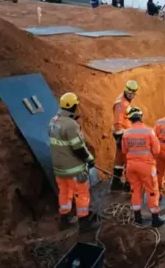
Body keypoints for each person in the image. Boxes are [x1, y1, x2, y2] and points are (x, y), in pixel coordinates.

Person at [48, 92, 101, 232]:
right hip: (74, 169)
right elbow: (78, 148)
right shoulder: (71, 125)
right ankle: (84, 223)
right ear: (72, 106)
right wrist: (89, 159)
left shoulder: (53, 121)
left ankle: (64, 220)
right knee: (82, 194)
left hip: (58, 168)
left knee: (64, 193)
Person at [122, 106, 165, 227]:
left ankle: (137, 217)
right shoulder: (149, 131)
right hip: (146, 166)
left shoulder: (126, 133)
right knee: (152, 191)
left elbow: (124, 150)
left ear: (130, 119)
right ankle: (155, 218)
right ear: (141, 117)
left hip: (131, 166)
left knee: (135, 190)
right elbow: (156, 150)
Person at [111, 80, 139, 191]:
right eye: (129, 93)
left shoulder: (124, 101)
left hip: (123, 135)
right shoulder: (121, 104)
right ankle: (128, 185)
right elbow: (118, 122)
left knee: (120, 159)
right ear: (126, 91)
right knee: (128, 159)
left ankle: (116, 183)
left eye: (132, 94)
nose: (131, 95)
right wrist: (119, 138)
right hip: (122, 136)